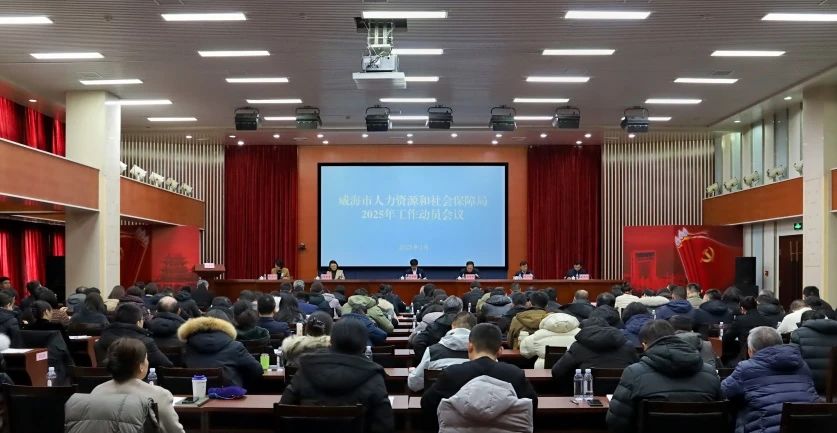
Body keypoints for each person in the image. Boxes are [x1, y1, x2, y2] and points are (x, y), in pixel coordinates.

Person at [280, 318, 394, 433]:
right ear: (364, 343)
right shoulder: (373, 377)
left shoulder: (306, 369)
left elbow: (284, 410)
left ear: (331, 340)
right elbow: (385, 425)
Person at [606, 320, 722, 433]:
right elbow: (723, 415)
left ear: (645, 344)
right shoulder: (710, 372)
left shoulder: (634, 373)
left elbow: (616, 422)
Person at [421, 323, 538, 427]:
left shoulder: (452, 373)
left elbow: (427, 404)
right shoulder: (515, 375)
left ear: (470, 346)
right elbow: (531, 407)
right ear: (500, 351)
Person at [722, 327, 818, 433]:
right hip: (807, 427)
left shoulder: (746, 368)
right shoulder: (802, 365)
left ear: (750, 351)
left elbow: (723, 392)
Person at [88, 338, 185, 433]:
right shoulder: (160, 395)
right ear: (141, 366)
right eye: (146, 359)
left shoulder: (97, 392)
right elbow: (174, 430)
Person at [552, 318, 638, 393]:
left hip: (585, 397)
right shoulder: (628, 346)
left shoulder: (578, 347)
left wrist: (570, 391)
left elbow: (557, 371)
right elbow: (638, 372)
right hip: (624, 398)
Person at [178, 315, 263, 386]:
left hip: (194, 396)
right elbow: (257, 370)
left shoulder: (186, 348)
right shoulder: (235, 346)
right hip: (230, 396)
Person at [409, 312, 475, 392]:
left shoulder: (432, 352)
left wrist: (413, 373)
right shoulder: (482, 355)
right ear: (475, 328)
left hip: (438, 399)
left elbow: (414, 384)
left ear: (452, 325)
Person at [96, 303, 171, 367]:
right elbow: (166, 364)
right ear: (138, 323)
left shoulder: (103, 337)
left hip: (107, 378)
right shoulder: (146, 342)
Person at [790, 310, 837, 394]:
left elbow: (792, 359)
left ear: (803, 321)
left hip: (808, 385)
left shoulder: (798, 333)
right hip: (834, 385)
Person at [723, 296, 776, 365]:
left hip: (747, 356)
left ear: (742, 308)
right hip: (767, 355)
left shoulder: (740, 320)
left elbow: (727, 338)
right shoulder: (767, 320)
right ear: (756, 306)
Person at [413, 296, 464, 362]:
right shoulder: (467, 325)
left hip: (437, 363)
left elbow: (417, 342)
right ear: (461, 310)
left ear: (444, 310)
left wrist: (427, 360)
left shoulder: (434, 325)